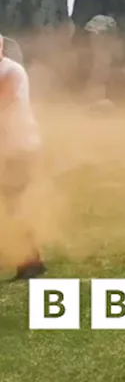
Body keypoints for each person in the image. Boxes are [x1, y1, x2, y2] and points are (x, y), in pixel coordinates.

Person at [0, 35, 46, 281]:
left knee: (13, 203)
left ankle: (30, 260)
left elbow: (4, 103)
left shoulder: (11, 71)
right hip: (9, 148)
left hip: (21, 147)